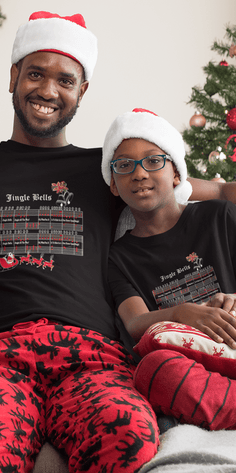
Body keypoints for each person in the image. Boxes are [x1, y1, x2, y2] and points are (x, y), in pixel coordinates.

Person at [0, 11, 236, 473]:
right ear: (13, 78)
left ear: (81, 92)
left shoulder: (112, 171)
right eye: (35, 74)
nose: (48, 90)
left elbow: (215, 190)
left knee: (128, 434)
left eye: (65, 80)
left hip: (92, 359)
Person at [102, 107, 236, 430]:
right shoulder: (118, 257)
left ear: (176, 173)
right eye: (124, 166)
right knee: (153, 371)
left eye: (153, 161)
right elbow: (135, 322)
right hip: (189, 363)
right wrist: (180, 314)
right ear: (114, 186)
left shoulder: (218, 218)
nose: (139, 173)